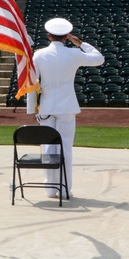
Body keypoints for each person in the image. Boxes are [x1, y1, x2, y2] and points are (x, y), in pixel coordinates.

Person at [29, 17, 105, 198]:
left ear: (49, 36)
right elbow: (99, 59)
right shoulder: (73, 53)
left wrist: (32, 109)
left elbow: (32, 83)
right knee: (66, 148)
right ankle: (64, 189)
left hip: (47, 106)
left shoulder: (39, 55)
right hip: (67, 106)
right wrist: (80, 43)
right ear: (66, 37)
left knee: (48, 148)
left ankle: (50, 188)